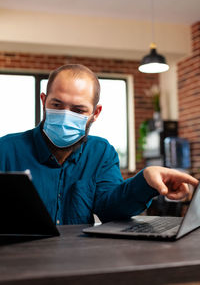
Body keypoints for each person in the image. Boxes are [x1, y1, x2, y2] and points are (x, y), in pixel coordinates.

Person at [0, 64, 198, 225]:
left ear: (95, 113)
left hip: (81, 262)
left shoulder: (100, 152)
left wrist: (145, 180)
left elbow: (111, 209)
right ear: (43, 101)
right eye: (57, 105)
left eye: (78, 110)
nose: (66, 115)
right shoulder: (6, 150)